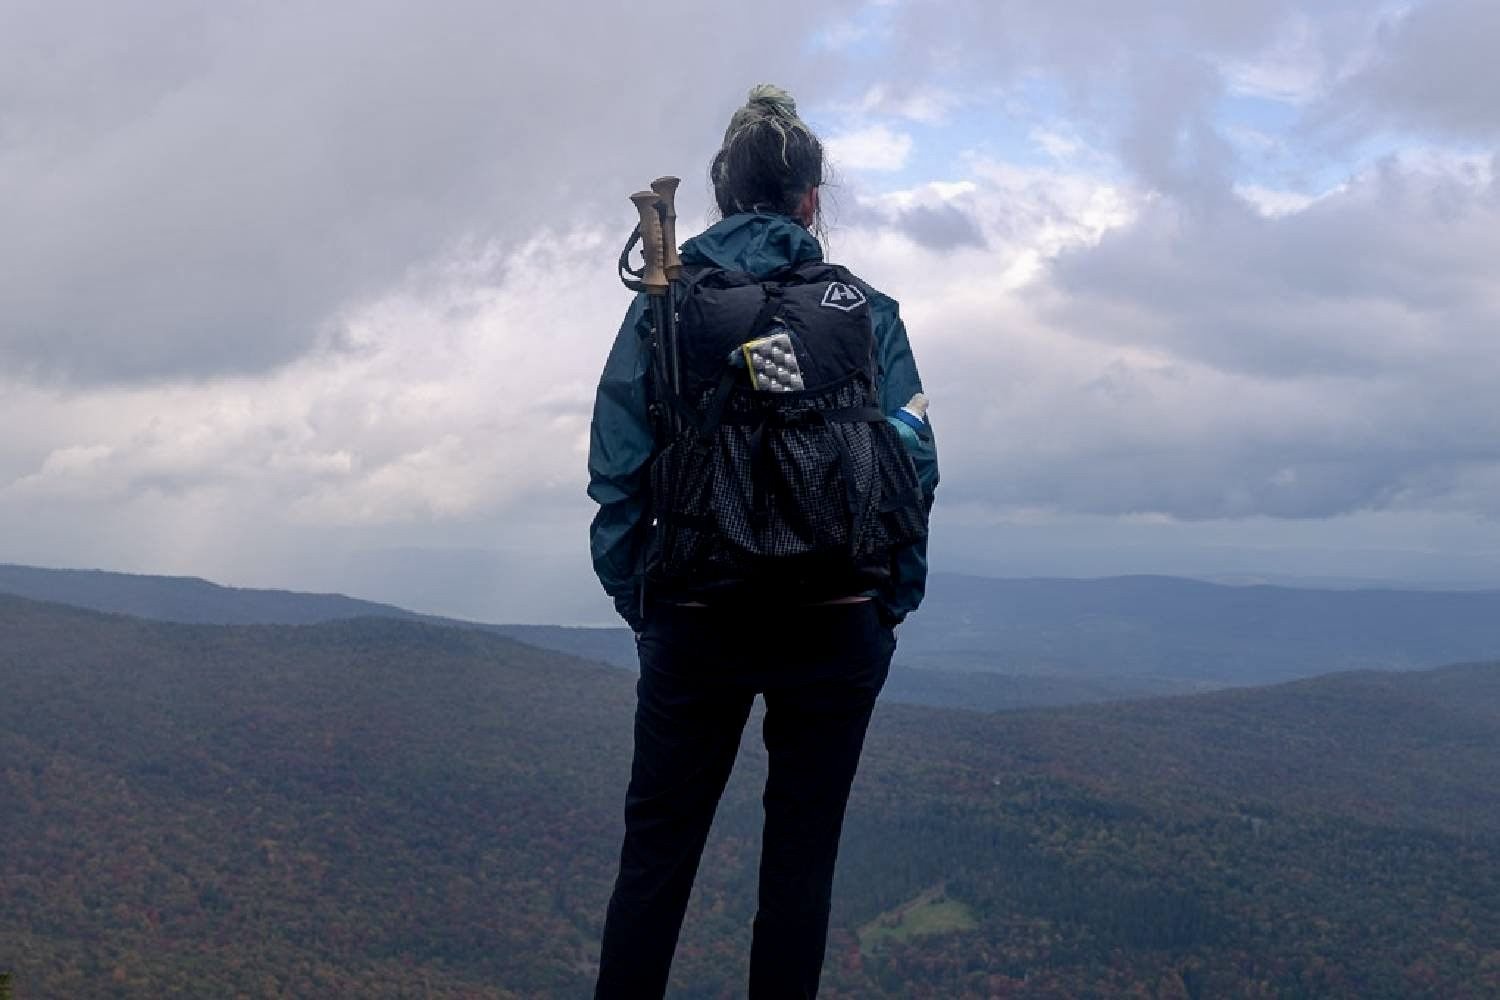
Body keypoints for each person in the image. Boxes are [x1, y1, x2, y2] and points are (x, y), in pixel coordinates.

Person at [586, 84, 939, 998]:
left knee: (655, 864)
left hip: (697, 613)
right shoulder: (864, 309)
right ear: (811, 199)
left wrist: (645, 603)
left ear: (719, 193)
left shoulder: (668, 302)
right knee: (799, 869)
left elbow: (619, 467)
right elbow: (912, 468)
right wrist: (886, 606)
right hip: (837, 617)